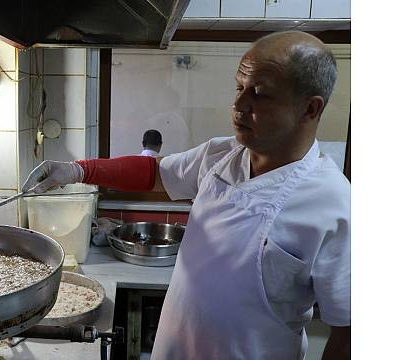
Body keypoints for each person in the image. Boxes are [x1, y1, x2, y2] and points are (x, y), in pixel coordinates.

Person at [21, 31, 350, 359]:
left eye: (260, 94)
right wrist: (77, 171)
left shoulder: (333, 204)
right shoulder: (221, 155)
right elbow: (154, 173)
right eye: (239, 87)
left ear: (310, 108)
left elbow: (350, 329)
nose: (238, 105)